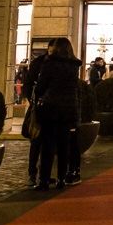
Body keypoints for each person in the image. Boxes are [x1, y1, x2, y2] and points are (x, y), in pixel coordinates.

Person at [32, 37, 81, 190]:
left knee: (48, 145)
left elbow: (41, 87)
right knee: (63, 145)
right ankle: (61, 179)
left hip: (51, 108)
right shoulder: (74, 66)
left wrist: (39, 95)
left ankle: (44, 180)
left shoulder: (50, 64)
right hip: (68, 109)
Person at [22, 41, 49, 188]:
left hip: (49, 108)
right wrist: (32, 101)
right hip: (38, 109)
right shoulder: (39, 63)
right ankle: (33, 173)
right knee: (36, 142)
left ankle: (43, 175)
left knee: (46, 143)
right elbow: (28, 84)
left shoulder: (55, 63)